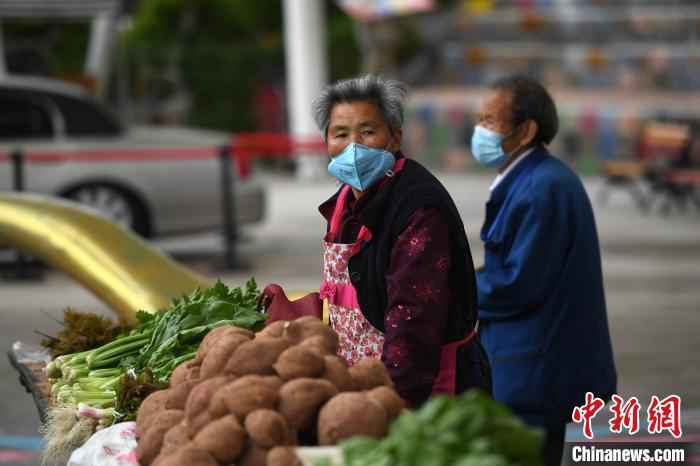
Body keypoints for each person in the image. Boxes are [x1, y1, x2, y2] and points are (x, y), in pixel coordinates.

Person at [303, 74, 490, 407]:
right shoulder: (345, 200)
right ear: (326, 141)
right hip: (360, 380)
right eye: (340, 134)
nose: (353, 146)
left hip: (421, 385)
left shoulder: (418, 207)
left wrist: (391, 402)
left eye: (368, 132)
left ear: (394, 138)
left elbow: (414, 319)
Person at [472, 75, 617, 466]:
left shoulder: (541, 188)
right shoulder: (527, 178)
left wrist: (453, 288)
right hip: (527, 364)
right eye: (479, 120)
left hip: (534, 369)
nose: (480, 131)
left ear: (526, 130)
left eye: (490, 121)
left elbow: (516, 284)